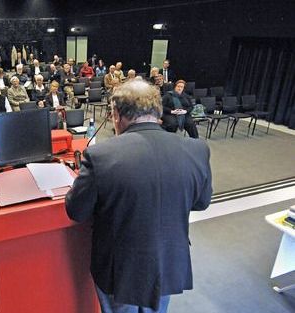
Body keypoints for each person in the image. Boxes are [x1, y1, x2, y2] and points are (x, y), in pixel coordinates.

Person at [66, 79, 212, 313]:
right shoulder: (197, 150)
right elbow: (202, 203)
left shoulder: (100, 156)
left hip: (120, 270)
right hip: (168, 261)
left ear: (116, 114)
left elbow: (76, 210)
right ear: (157, 111)